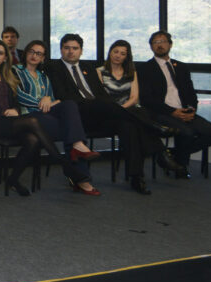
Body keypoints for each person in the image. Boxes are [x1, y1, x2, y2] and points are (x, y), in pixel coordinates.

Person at [46, 33, 181, 193]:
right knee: (132, 114)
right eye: (67, 48)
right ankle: (157, 139)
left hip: (101, 112)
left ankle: (136, 177)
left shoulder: (87, 67)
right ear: (61, 49)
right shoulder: (53, 67)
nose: (70, 52)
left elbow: (101, 93)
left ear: (81, 51)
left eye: (75, 48)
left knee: (128, 125)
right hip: (79, 115)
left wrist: (107, 106)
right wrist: (101, 104)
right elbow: (64, 95)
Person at [0, 40, 95, 196]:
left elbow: (14, 101)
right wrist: (3, 112)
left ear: (5, 58)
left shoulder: (8, 76)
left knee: (33, 140)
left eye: (0, 53)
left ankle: (12, 180)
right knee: (32, 121)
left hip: (7, 122)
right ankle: (64, 164)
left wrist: (14, 109)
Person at [137, 31, 211, 174]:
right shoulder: (144, 69)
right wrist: (172, 112)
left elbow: (190, 93)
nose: (160, 45)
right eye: (156, 42)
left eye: (163, 41)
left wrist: (191, 110)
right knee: (187, 133)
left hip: (184, 111)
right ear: (151, 47)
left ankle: (173, 156)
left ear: (170, 44)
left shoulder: (182, 67)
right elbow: (147, 99)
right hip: (161, 113)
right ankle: (181, 166)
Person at [14, 39, 100, 166]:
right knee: (70, 126)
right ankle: (77, 170)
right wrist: (41, 102)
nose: (34, 56)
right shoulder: (15, 70)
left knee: (70, 104)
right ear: (25, 53)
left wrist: (51, 100)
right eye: (31, 52)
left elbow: (51, 98)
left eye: (39, 53)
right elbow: (18, 95)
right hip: (28, 116)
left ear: (43, 58)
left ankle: (78, 150)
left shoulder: (43, 76)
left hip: (45, 113)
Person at [97, 40, 139, 108]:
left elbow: (134, 98)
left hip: (128, 110)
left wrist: (121, 109)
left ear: (126, 57)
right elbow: (100, 96)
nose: (118, 56)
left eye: (122, 54)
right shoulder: (99, 71)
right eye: (116, 52)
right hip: (108, 109)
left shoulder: (132, 72)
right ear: (110, 52)